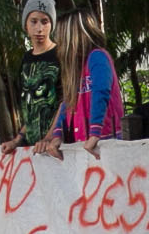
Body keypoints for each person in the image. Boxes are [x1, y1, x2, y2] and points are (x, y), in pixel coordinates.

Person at [46, 9, 124, 156]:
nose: (59, 43)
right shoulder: (76, 69)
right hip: (84, 142)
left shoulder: (97, 56)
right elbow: (68, 102)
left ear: (72, 37)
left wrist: (95, 131)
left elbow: (101, 91)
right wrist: (57, 134)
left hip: (105, 139)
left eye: (61, 38)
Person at [1, 0, 61, 157]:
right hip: (31, 149)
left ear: (52, 24)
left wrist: (49, 138)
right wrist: (17, 140)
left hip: (59, 147)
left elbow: (66, 103)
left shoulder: (61, 55)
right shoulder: (25, 60)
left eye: (45, 21)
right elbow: (31, 106)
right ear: (25, 25)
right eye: (33, 21)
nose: (39, 28)